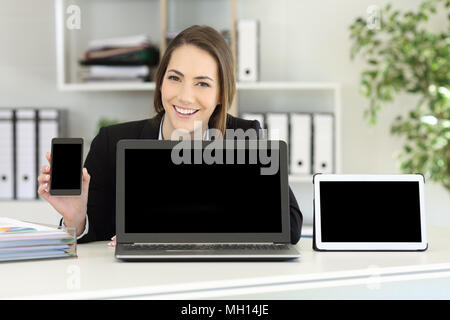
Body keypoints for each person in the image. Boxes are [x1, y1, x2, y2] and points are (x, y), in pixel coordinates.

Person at [37, 25, 303, 245]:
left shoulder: (243, 136)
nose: (185, 96)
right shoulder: (112, 143)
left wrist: (176, 234)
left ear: (222, 93)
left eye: (202, 83)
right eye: (175, 78)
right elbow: (93, 238)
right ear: (161, 81)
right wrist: (76, 219)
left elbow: (289, 226)